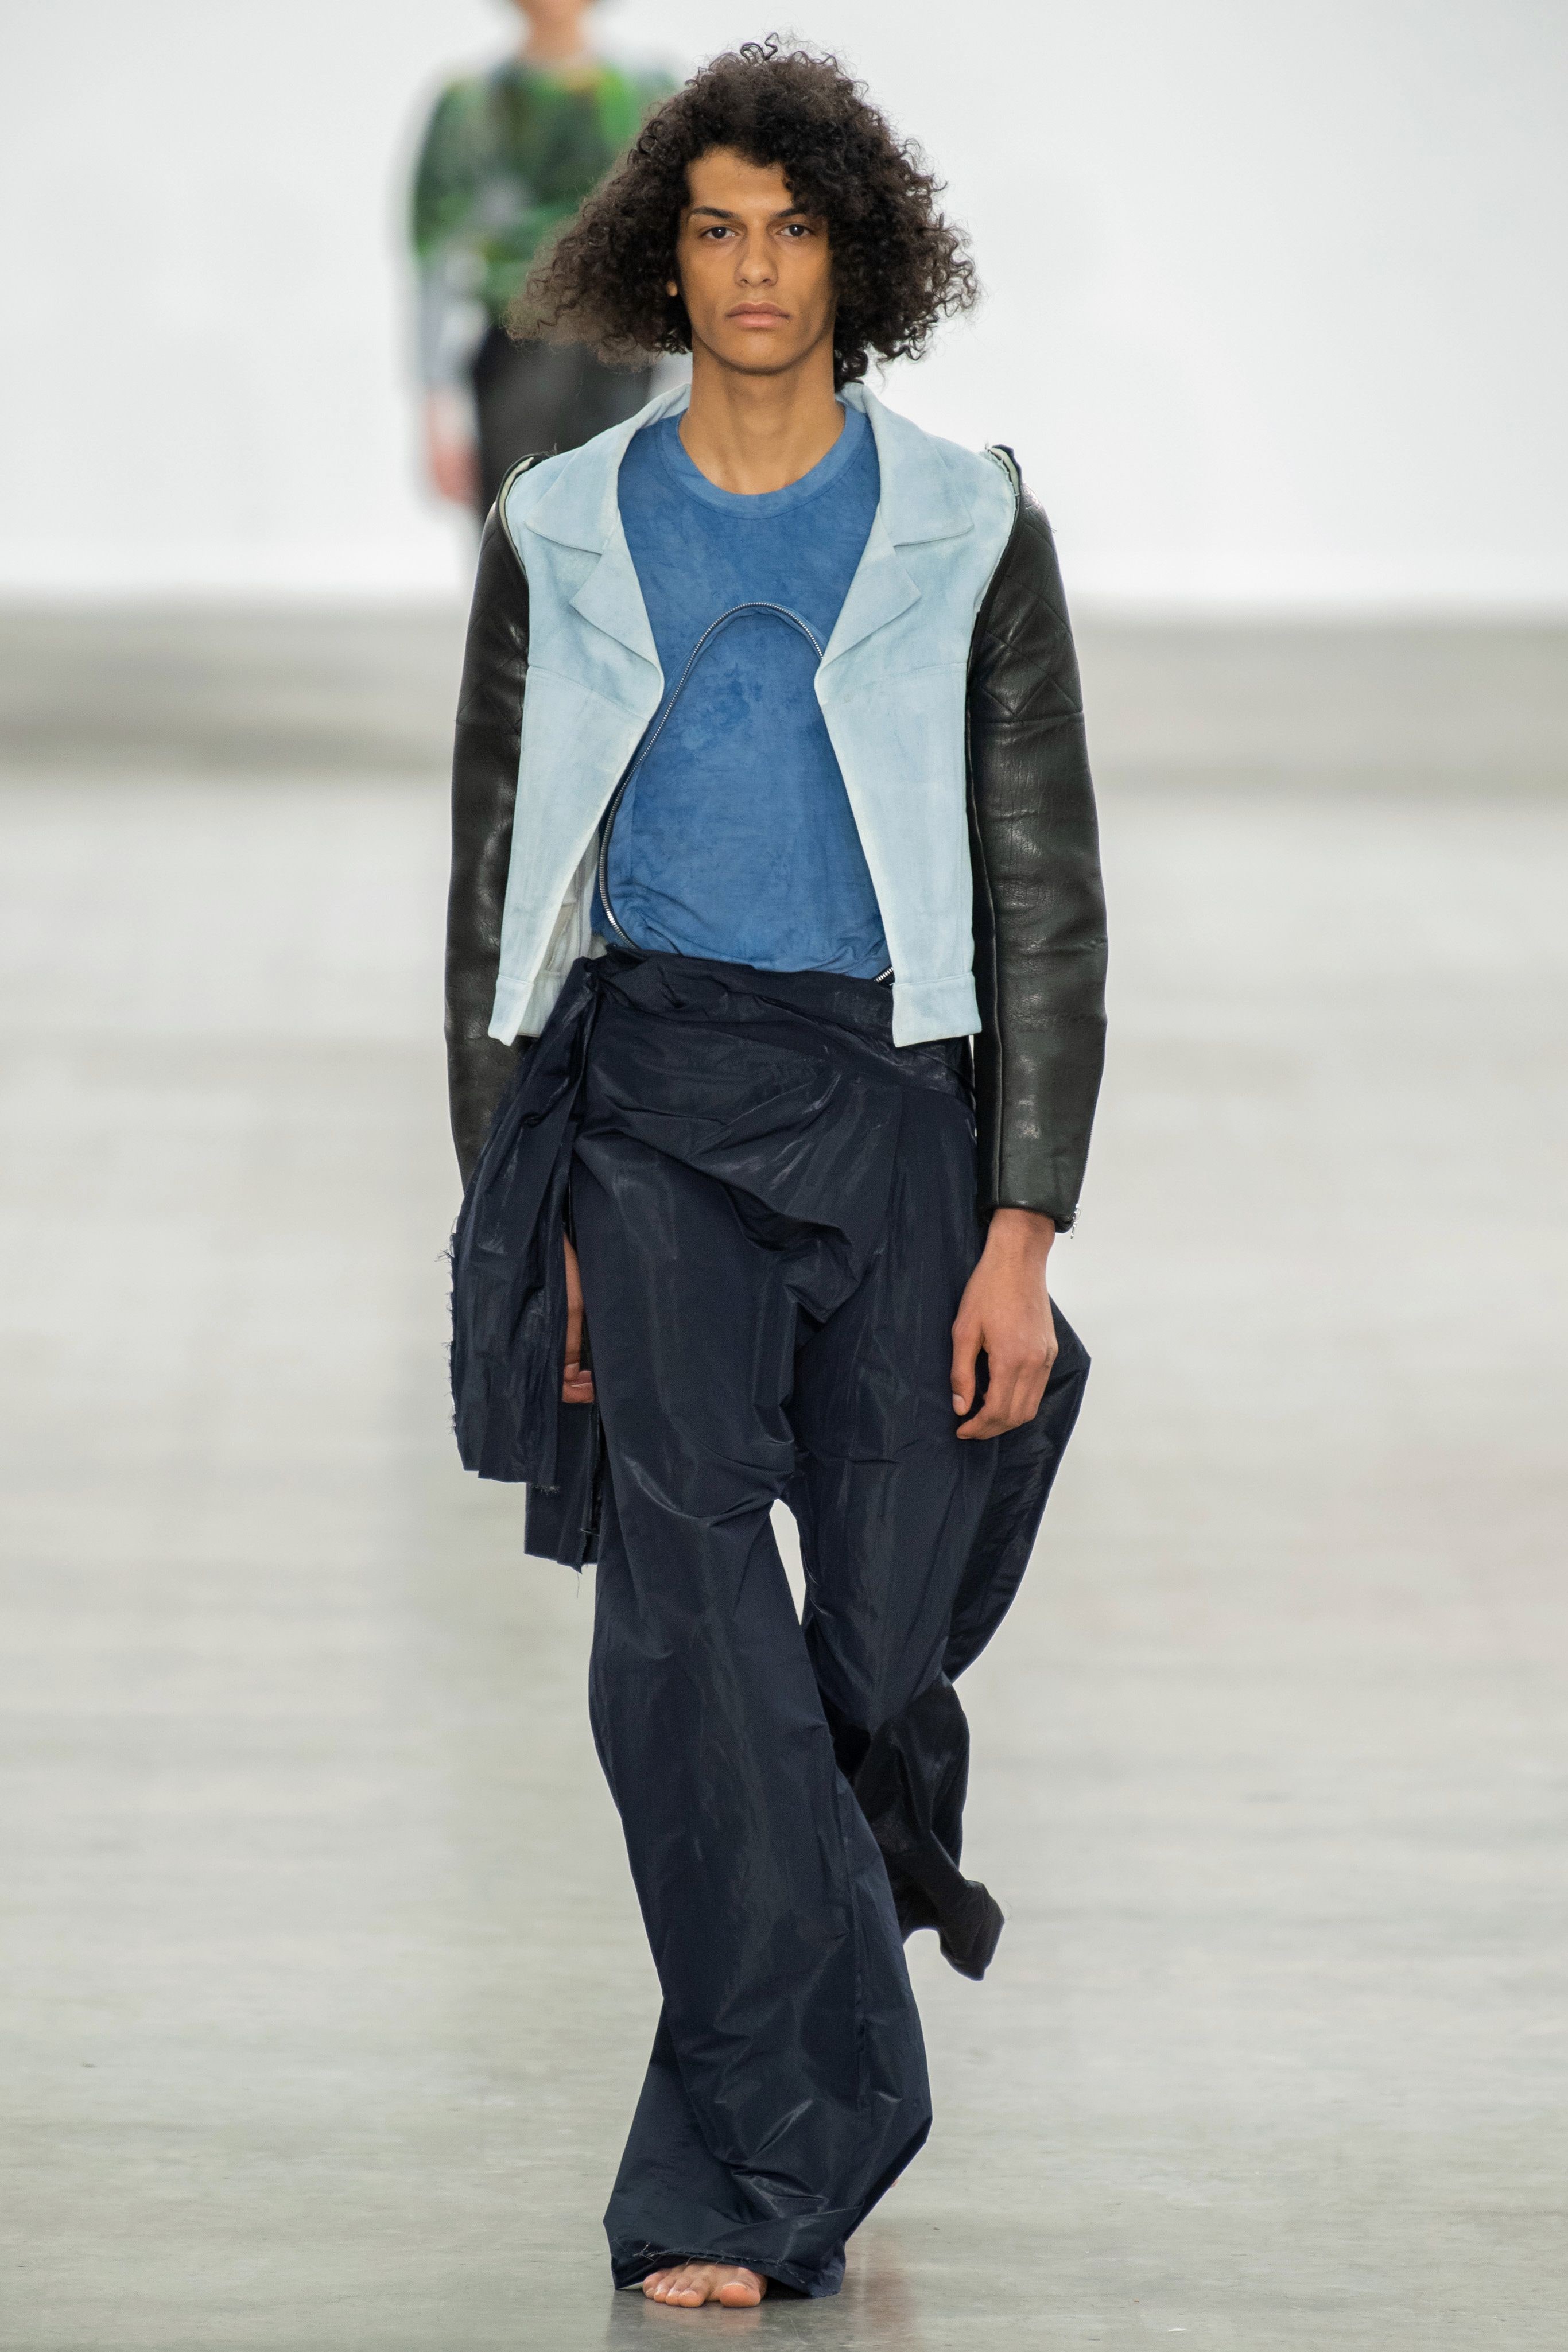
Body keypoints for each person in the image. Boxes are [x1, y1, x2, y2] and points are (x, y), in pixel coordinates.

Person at [444, 41, 1107, 2311]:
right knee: (688, 1640)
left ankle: (840, 1887)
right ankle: (752, 2159)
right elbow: (493, 895)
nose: (752, 268)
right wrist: (526, 1225)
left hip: (899, 1098)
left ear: (858, 255)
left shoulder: (963, 525)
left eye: (792, 227)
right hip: (649, 1102)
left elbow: (1043, 887)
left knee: (871, 1639)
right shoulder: (558, 528)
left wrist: (1023, 1223)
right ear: (664, 255)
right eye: (715, 228)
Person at [410, 0, 672, 515]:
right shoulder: (472, 103)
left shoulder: (644, 93)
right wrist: (434, 403)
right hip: (516, 348)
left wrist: (695, 373)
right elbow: (433, 254)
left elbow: (681, 234)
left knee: (614, 528)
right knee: (518, 531)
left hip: (623, 347)